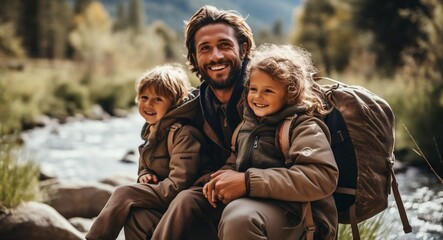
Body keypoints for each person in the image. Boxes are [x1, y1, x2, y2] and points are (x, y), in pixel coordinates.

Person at [124, 5, 255, 240]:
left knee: (234, 218)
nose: (215, 56)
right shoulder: (190, 108)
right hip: (210, 203)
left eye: (224, 45)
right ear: (194, 58)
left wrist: (243, 179)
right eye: (205, 48)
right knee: (139, 214)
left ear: (243, 49)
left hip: (261, 205)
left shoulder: (266, 97)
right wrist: (147, 174)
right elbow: (163, 156)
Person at [203, 44, 339, 239]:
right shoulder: (247, 126)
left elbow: (321, 176)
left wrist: (248, 182)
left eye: (268, 91)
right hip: (262, 207)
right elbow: (237, 159)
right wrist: (224, 176)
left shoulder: (303, 127)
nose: (257, 97)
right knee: (194, 204)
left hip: (302, 218)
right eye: (253, 89)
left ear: (290, 93)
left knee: (240, 219)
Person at [85, 64, 208, 240]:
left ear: (174, 103)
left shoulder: (183, 134)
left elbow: (179, 185)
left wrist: (138, 192)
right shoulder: (152, 132)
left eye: (158, 99)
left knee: (124, 193)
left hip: (182, 202)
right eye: (144, 97)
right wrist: (146, 174)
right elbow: (146, 167)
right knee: (136, 216)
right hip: (163, 197)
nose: (148, 104)